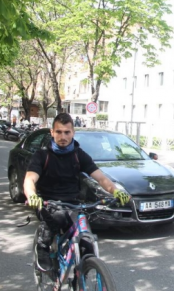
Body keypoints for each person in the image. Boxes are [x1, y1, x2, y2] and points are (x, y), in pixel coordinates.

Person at [24, 113, 131, 272]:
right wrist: (32, 196)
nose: (63, 136)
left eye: (67, 132)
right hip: (48, 203)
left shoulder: (78, 155)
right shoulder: (42, 155)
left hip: (72, 203)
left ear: (73, 133)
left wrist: (116, 191)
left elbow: (101, 178)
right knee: (57, 217)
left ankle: (83, 271)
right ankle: (42, 247)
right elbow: (29, 180)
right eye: (59, 132)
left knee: (85, 234)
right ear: (52, 133)